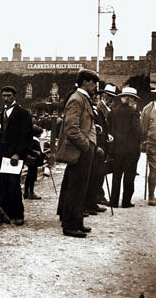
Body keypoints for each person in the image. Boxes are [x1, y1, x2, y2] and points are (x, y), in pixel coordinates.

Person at [56, 69, 100, 238]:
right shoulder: (76, 99)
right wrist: (86, 145)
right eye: (93, 82)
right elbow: (71, 129)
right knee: (75, 188)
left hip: (82, 150)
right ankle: (70, 225)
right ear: (85, 82)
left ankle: (77, 222)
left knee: (80, 187)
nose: (95, 86)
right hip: (79, 151)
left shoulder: (83, 99)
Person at [0, 86, 33, 225]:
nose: (6, 98)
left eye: (9, 95)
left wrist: (18, 153)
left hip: (13, 154)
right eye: (4, 96)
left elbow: (26, 136)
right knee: (0, 184)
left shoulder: (23, 113)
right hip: (1, 153)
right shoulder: (1, 113)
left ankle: (18, 214)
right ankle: (5, 212)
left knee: (13, 184)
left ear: (14, 96)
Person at [108, 87, 142, 208]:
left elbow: (110, 130)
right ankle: (126, 201)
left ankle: (113, 201)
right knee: (129, 176)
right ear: (130, 99)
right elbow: (138, 132)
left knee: (116, 176)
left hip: (117, 149)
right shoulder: (134, 113)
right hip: (131, 151)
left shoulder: (113, 112)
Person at [141, 86, 156, 206]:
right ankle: (151, 195)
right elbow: (144, 128)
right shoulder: (148, 108)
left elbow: (144, 128)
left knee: (154, 169)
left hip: (152, 141)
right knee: (154, 169)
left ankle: (152, 195)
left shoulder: (148, 108)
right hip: (153, 143)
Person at [24, 125, 45, 200]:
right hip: (34, 161)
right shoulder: (35, 141)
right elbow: (37, 151)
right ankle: (31, 192)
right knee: (32, 177)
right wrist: (41, 154)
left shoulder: (30, 140)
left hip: (30, 161)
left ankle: (26, 192)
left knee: (29, 176)